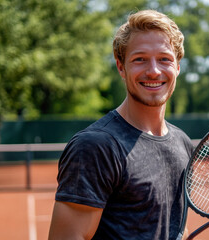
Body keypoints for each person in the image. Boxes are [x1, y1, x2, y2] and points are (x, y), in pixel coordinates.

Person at [48, 9, 194, 240]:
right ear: (121, 67)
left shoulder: (183, 144)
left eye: (164, 59)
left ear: (177, 67)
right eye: (140, 59)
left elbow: (178, 227)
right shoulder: (96, 146)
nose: (154, 70)